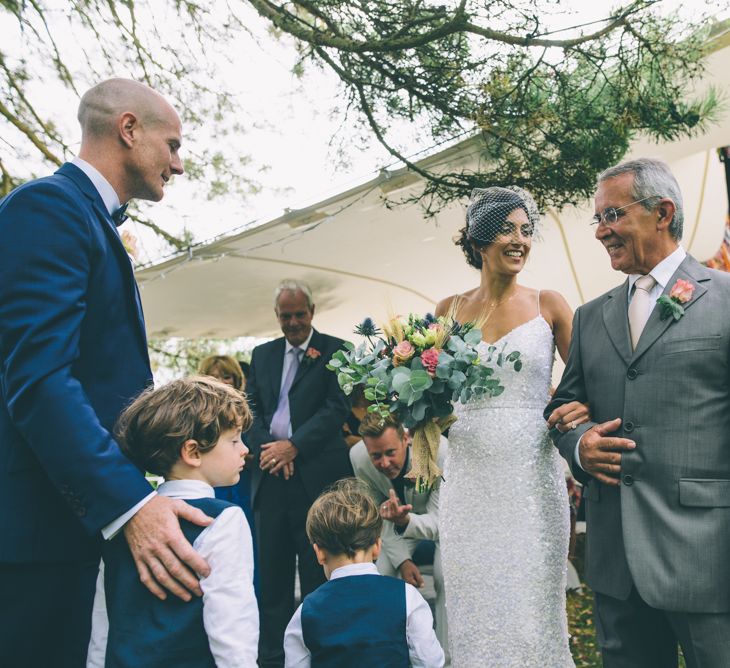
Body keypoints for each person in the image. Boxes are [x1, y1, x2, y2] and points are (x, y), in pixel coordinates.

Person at [0, 78, 210, 668]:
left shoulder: (89, 220)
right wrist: (129, 506)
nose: (179, 163)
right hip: (33, 535)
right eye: (171, 144)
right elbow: (40, 381)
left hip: (67, 528)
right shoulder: (50, 208)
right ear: (127, 129)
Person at [545, 158, 730, 667]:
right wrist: (580, 444)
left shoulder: (726, 302)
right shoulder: (588, 317)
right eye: (597, 220)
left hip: (707, 557)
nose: (602, 231)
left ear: (662, 212)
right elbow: (564, 404)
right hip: (616, 561)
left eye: (613, 216)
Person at [434, 186, 589, 666]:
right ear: (479, 242)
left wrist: (570, 411)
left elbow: (587, 385)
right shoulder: (447, 312)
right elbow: (432, 398)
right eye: (506, 229)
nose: (519, 239)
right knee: (474, 602)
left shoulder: (550, 305)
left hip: (530, 481)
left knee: (531, 609)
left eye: (526, 230)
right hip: (468, 481)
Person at [87, 376, 258, 667]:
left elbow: (102, 621)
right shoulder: (224, 519)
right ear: (192, 452)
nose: (244, 449)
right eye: (233, 440)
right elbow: (232, 622)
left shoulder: (123, 524)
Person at [245, 279, 353, 667]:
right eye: (285, 316)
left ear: (312, 312)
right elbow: (251, 408)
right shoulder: (261, 355)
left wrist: (294, 446)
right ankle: (272, 657)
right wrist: (271, 450)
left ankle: (317, 652)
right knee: (271, 576)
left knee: (316, 570)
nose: (293, 322)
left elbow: (336, 408)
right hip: (270, 477)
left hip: (315, 480)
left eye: (299, 314)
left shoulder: (338, 350)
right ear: (277, 316)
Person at [283, 478, 444, 668]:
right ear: (377, 546)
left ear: (319, 553)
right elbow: (430, 662)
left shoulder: (305, 612)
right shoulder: (407, 597)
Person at [350, 412, 449, 661]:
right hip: (395, 525)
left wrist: (405, 521)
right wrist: (403, 561)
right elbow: (378, 519)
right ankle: (383, 655)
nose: (384, 462)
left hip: (441, 522)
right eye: (376, 455)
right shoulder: (358, 458)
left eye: (390, 452)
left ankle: (447, 659)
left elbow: (441, 523)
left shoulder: (440, 452)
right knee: (379, 573)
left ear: (406, 438)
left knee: (444, 575)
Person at [198, 354, 258, 590]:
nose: (222, 382)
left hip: (244, 484)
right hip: (213, 486)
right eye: (214, 377)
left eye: (227, 376)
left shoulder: (246, 411)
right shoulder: (197, 414)